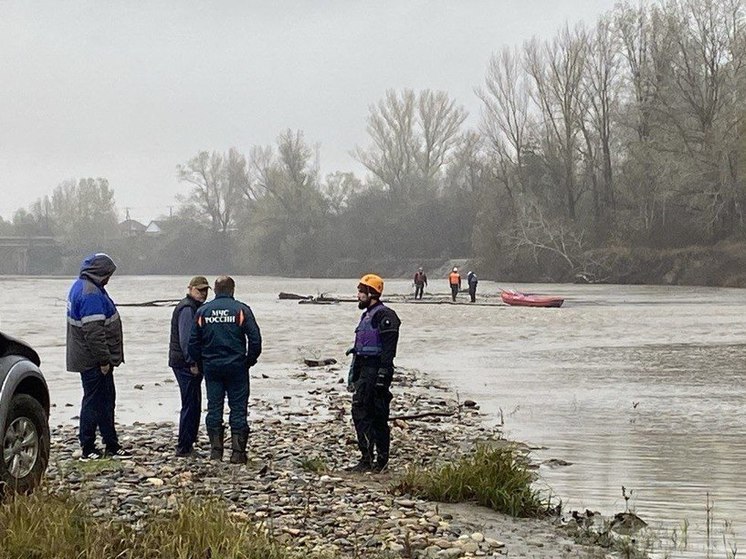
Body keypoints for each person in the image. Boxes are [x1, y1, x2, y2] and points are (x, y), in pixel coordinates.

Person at [188, 276, 261, 465]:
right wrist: (249, 361)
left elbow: (193, 343)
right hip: (237, 367)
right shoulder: (242, 310)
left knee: (214, 407)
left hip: (212, 367)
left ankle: (216, 451)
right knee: (238, 408)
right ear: (232, 290)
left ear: (215, 290)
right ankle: (237, 453)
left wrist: (201, 362)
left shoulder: (203, 312)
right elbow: (255, 339)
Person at [66, 253, 131, 460]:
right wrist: (104, 360)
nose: (109, 278)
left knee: (105, 401)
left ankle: (110, 443)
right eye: (108, 274)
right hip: (93, 361)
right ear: (99, 273)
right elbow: (93, 333)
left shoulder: (83, 286)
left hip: (90, 358)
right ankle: (88, 447)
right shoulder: (91, 294)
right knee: (94, 403)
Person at [347, 274, 401, 472]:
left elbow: (389, 350)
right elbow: (360, 350)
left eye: (361, 291)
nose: (358, 295)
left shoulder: (385, 316)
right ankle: (369, 458)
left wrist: (382, 375)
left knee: (373, 414)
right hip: (365, 370)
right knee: (363, 412)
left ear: (371, 293)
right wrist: (354, 374)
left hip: (376, 370)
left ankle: (376, 459)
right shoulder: (367, 315)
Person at [168, 275, 210, 457]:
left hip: (186, 362)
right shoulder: (187, 308)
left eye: (206, 290)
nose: (203, 293)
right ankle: (184, 446)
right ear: (190, 289)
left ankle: (189, 442)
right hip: (184, 364)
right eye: (200, 290)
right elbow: (186, 340)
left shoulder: (195, 307)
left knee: (194, 402)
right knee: (190, 403)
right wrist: (192, 362)